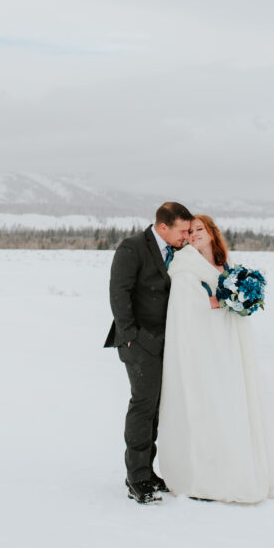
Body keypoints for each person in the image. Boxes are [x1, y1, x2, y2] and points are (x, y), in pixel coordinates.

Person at [157, 214, 274, 503]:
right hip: (204, 346)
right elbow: (187, 306)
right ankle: (206, 474)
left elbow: (228, 299)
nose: (193, 235)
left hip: (230, 342)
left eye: (199, 229)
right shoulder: (185, 266)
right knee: (210, 402)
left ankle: (237, 463)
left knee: (233, 401)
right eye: (189, 232)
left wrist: (242, 299)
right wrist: (223, 299)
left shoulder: (227, 265)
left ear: (211, 232)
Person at [104, 202, 193, 504]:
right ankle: (137, 478)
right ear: (163, 227)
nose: (186, 236)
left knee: (155, 407)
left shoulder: (178, 252)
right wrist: (131, 337)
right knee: (143, 404)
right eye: (182, 230)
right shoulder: (132, 248)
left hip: (166, 341)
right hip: (138, 341)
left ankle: (148, 470)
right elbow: (119, 293)